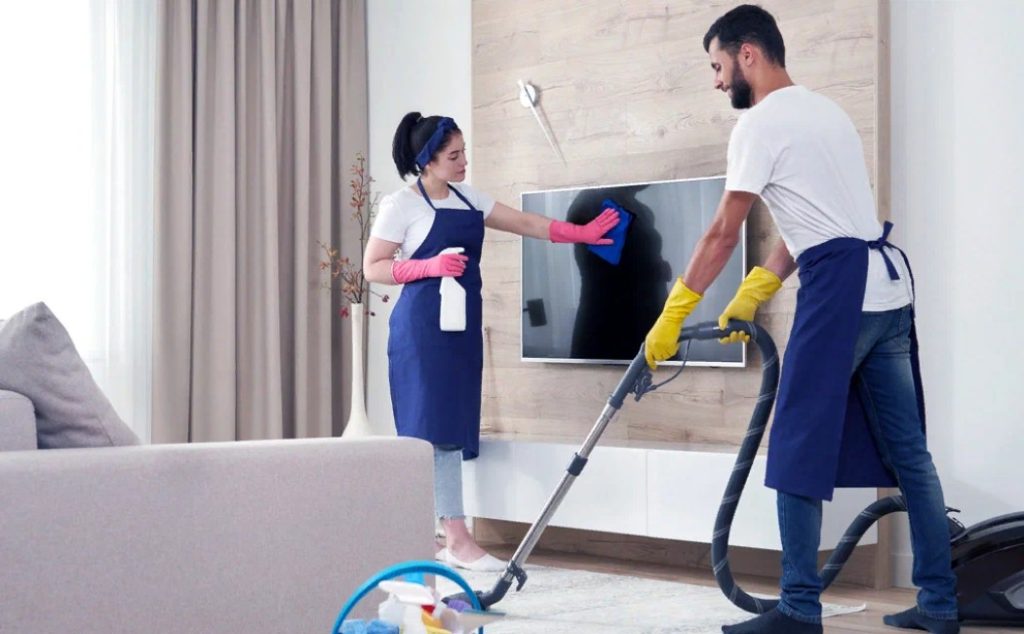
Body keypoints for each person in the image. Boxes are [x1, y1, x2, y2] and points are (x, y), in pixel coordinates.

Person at [643, 6, 959, 634]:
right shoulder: (827, 111)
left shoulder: (760, 124)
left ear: (748, 54)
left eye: (717, 65)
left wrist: (672, 313)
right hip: (889, 289)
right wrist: (754, 290)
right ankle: (941, 605)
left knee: (795, 443)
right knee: (911, 455)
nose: (715, 80)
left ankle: (798, 609)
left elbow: (721, 231)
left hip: (841, 291)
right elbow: (814, 222)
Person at [363, 113, 619, 572]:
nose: (464, 162)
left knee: (453, 428)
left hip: (461, 328)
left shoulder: (468, 198)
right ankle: (457, 537)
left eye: (464, 152)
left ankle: (437, 536)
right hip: (421, 333)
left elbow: (525, 222)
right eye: (454, 156)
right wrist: (428, 267)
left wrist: (580, 234)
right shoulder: (400, 205)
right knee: (433, 431)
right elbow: (373, 268)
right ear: (428, 161)